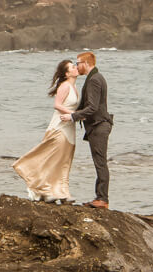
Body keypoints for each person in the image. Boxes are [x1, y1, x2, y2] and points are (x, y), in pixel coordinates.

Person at [12, 58, 80, 204]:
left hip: (70, 127)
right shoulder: (65, 86)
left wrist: (77, 115)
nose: (76, 67)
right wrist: (75, 114)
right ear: (67, 74)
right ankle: (44, 190)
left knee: (65, 161)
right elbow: (57, 105)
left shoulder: (74, 87)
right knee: (52, 159)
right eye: (72, 67)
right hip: (59, 127)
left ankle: (63, 192)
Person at [64, 50, 112, 209]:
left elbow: (92, 107)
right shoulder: (96, 77)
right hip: (99, 125)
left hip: (99, 125)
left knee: (100, 163)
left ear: (86, 63)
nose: (77, 66)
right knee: (100, 162)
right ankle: (100, 197)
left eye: (78, 63)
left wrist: (73, 116)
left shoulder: (94, 80)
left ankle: (102, 199)